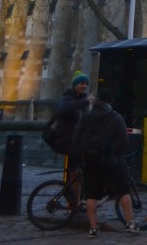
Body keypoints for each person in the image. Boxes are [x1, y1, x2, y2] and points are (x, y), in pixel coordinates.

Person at [73, 88, 139, 237]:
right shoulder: (116, 118)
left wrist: (84, 154)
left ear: (97, 101)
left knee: (91, 195)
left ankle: (93, 228)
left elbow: (77, 138)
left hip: (91, 161)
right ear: (111, 102)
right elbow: (124, 140)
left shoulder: (86, 117)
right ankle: (130, 223)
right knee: (123, 190)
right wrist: (116, 154)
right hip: (111, 162)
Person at [56, 71, 91, 206]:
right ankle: (74, 201)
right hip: (68, 140)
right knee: (74, 171)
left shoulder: (82, 99)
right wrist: (84, 102)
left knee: (80, 171)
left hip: (78, 140)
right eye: (81, 83)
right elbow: (63, 109)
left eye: (86, 84)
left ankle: (77, 198)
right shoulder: (68, 97)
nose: (84, 86)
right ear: (75, 85)